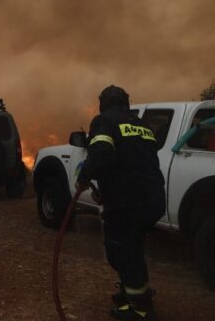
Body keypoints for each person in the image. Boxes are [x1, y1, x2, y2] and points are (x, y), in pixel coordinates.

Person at [76, 85, 166, 321]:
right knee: (132, 248)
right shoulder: (142, 124)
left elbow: (102, 154)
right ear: (126, 103)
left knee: (121, 251)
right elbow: (132, 161)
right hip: (153, 200)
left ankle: (140, 308)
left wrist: (84, 176)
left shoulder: (103, 121)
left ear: (103, 104)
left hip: (128, 203)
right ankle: (132, 291)